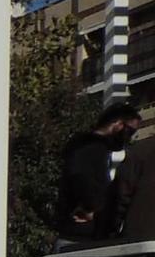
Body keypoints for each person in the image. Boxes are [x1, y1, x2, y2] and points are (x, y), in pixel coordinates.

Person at [54, 99, 139, 248]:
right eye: (130, 131)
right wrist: (90, 207)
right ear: (118, 124)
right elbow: (79, 174)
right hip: (80, 239)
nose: (129, 137)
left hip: (85, 237)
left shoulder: (94, 148)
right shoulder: (91, 147)